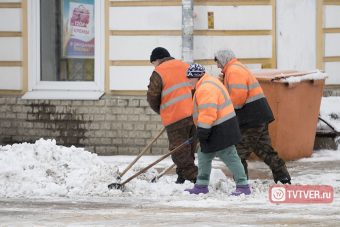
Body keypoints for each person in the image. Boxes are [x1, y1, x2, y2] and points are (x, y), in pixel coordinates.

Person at [214, 49, 291, 184]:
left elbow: (238, 98)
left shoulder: (234, 71)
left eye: (218, 62)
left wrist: (225, 111)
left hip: (251, 118)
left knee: (238, 153)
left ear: (224, 59)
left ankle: (241, 183)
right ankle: (283, 177)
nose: (217, 66)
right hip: (258, 115)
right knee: (264, 150)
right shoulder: (235, 69)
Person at [184, 63, 251, 196]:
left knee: (230, 156)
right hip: (220, 126)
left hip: (220, 129)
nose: (188, 81)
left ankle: (243, 185)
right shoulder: (210, 82)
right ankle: (201, 185)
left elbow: (208, 112)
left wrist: (202, 131)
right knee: (204, 154)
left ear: (196, 77)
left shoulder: (205, 88)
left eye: (189, 78)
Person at [147, 47, 198, 184]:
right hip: (194, 115)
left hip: (175, 117)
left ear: (157, 59)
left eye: (153, 63)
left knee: (179, 151)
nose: (154, 66)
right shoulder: (185, 66)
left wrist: (162, 110)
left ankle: (196, 178)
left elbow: (152, 97)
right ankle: (182, 177)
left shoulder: (158, 72)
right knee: (189, 149)